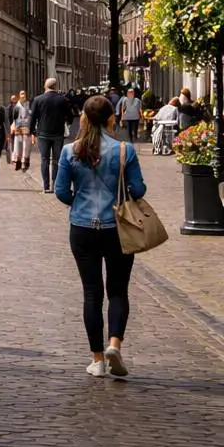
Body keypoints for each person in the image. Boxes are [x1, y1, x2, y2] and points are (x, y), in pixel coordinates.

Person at [55, 96, 145, 378]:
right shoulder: (124, 150)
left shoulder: (71, 150)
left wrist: (77, 201)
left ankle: (97, 360)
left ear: (83, 119)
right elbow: (138, 189)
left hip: (82, 228)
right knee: (118, 290)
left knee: (92, 293)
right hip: (116, 228)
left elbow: (60, 191)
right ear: (110, 118)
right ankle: (114, 344)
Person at [31, 78, 74, 193]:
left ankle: (45, 186)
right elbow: (70, 116)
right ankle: (55, 185)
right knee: (56, 160)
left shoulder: (38, 99)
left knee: (44, 159)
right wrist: (67, 123)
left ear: (45, 86)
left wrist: (32, 133)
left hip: (43, 134)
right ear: (55, 86)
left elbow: (33, 117)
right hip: (58, 134)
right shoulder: (63, 100)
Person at [10, 90, 32, 171]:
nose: (23, 95)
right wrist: (13, 126)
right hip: (18, 129)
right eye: (22, 94)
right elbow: (14, 118)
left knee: (26, 146)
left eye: (24, 94)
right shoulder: (16, 106)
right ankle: (18, 162)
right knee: (18, 145)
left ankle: (24, 162)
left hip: (26, 128)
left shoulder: (29, 104)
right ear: (19, 95)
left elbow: (31, 116)